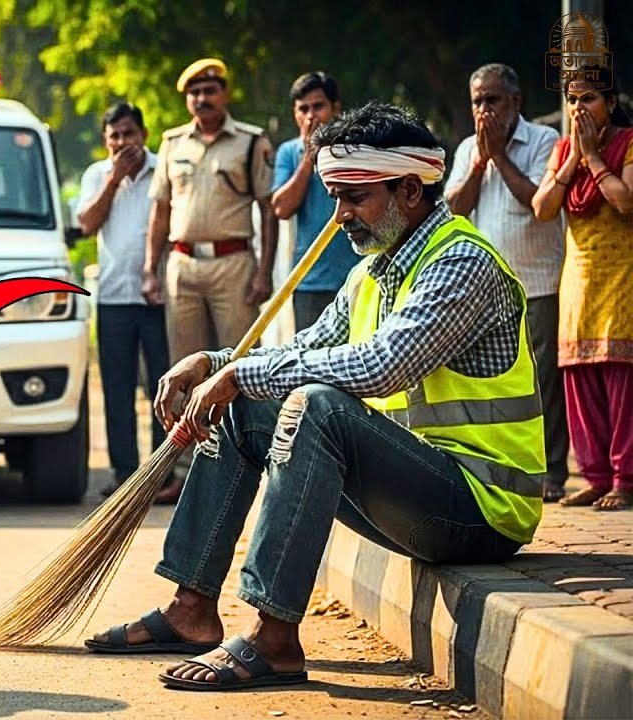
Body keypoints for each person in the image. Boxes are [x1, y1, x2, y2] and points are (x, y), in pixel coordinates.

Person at [85, 102, 544, 693]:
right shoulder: (373, 271)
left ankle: (274, 638)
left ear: (409, 190)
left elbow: (381, 368)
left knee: (317, 407)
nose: (340, 215)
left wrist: (238, 374)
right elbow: (306, 346)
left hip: (481, 510)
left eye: (354, 197)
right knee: (246, 404)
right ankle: (191, 608)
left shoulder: (460, 263)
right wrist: (216, 364)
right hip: (420, 494)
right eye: (334, 197)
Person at [143, 58, 278, 503]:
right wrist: (151, 267)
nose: (203, 99)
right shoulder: (171, 143)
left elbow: (267, 209)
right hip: (182, 264)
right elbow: (160, 210)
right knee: (182, 370)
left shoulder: (250, 142)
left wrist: (264, 271)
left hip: (233, 263)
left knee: (238, 366)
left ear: (225, 94)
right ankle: (184, 472)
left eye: (211, 90)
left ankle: (246, 467)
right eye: (195, 92)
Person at [446, 64, 568, 502]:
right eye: (477, 101)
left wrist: (499, 155)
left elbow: (540, 203)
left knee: (544, 381)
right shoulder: (465, 150)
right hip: (485, 290)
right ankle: (502, 468)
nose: (484, 110)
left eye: (492, 100)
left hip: (537, 281)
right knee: (495, 382)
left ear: (516, 102)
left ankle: (553, 470)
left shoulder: (545, 142)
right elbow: (456, 209)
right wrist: (481, 160)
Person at [531, 66, 633, 511]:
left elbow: (626, 202)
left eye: (589, 98)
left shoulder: (628, 144)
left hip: (623, 276)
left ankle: (624, 478)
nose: (578, 108)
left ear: (610, 103)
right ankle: (593, 475)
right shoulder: (562, 150)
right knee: (579, 377)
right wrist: (575, 157)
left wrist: (593, 156)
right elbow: (543, 208)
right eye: (572, 100)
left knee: (620, 377)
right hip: (578, 280)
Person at [76, 102, 171, 496]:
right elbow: (85, 226)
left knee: (163, 388)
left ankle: (161, 474)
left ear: (143, 136)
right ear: (105, 140)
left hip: (158, 296)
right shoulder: (96, 174)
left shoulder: (162, 171)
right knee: (117, 389)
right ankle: (124, 473)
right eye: (114, 136)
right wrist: (113, 180)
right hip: (113, 298)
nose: (122, 142)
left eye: (128, 134)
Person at [270, 72, 358, 331]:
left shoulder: (355, 147)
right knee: (308, 363)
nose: (310, 116)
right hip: (309, 280)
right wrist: (310, 155)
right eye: (303, 109)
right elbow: (282, 208)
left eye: (318, 106)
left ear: (336, 108)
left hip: (356, 275)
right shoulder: (289, 152)